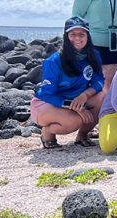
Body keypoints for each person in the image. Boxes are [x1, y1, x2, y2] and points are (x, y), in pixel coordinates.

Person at [31, 17, 105, 149]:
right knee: (74, 121)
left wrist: (85, 96)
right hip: (47, 104)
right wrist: (75, 106)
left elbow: (99, 81)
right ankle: (47, 133)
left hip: (76, 100)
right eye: (73, 34)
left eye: (82, 34)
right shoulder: (54, 61)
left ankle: (82, 135)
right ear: (66, 36)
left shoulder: (94, 55)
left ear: (88, 36)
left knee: (102, 97)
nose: (78, 38)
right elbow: (48, 94)